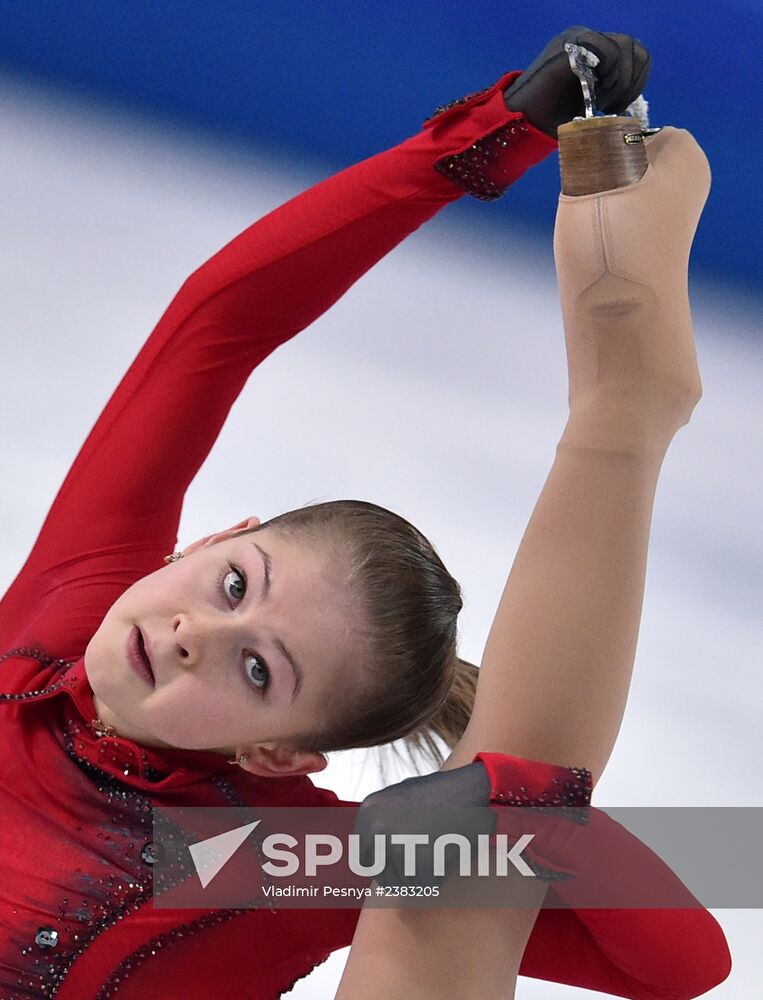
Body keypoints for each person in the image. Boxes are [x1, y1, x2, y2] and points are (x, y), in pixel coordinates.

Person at [0, 25, 731, 1000]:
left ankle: (620, 415)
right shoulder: (71, 606)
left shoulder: (275, 861)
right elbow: (216, 325)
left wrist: (491, 808)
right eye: (231, 585)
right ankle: (621, 411)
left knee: (452, 879)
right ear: (219, 538)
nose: (190, 636)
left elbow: (681, 966)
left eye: (257, 668)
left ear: (278, 753)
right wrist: (487, 135)